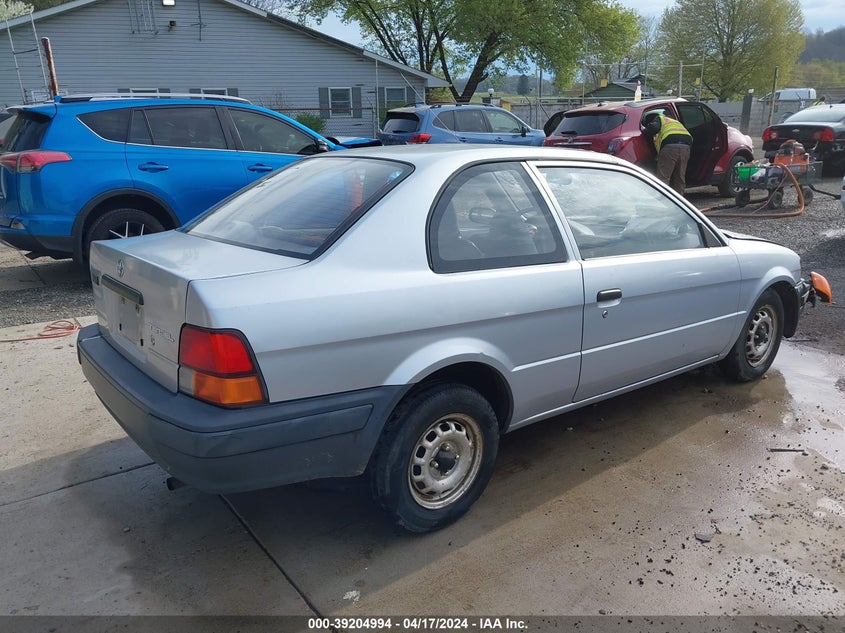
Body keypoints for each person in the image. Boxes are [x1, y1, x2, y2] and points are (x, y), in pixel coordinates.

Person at [643, 112, 693, 195]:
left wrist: (646, 131)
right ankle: (679, 200)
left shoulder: (659, 119)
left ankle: (662, 198)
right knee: (679, 176)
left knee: (664, 176)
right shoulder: (673, 121)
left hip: (670, 146)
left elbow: (653, 127)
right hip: (686, 146)